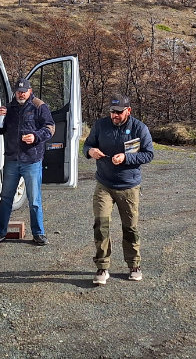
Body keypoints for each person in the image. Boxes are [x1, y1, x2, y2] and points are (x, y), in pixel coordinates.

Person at [83, 93, 154, 285]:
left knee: (130, 227)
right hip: (104, 184)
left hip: (128, 186)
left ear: (128, 111)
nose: (115, 115)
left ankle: (134, 264)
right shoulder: (100, 125)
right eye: (112, 112)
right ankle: (102, 266)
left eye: (119, 112)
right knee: (101, 224)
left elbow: (148, 154)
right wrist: (90, 151)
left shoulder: (140, 128)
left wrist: (126, 158)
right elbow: (87, 145)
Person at [0, 77, 55, 246]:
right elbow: (1, 130)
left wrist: (35, 137)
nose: (21, 94)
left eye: (24, 92)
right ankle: (0, 233)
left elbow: (50, 128)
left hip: (32, 160)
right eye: (18, 91)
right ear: (15, 92)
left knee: (34, 200)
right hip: (11, 159)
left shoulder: (39, 106)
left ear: (30, 91)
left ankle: (39, 234)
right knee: (5, 198)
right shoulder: (8, 108)